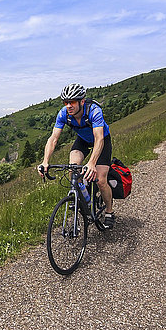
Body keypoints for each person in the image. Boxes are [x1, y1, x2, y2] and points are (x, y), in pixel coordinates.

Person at [37, 83, 115, 228]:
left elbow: (99, 139)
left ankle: (109, 211)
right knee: (73, 168)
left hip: (101, 141)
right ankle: (83, 195)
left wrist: (92, 163)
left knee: (101, 180)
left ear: (82, 101)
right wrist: (45, 161)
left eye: (72, 102)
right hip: (83, 141)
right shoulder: (63, 114)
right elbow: (53, 138)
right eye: (66, 102)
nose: (68, 105)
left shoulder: (94, 111)